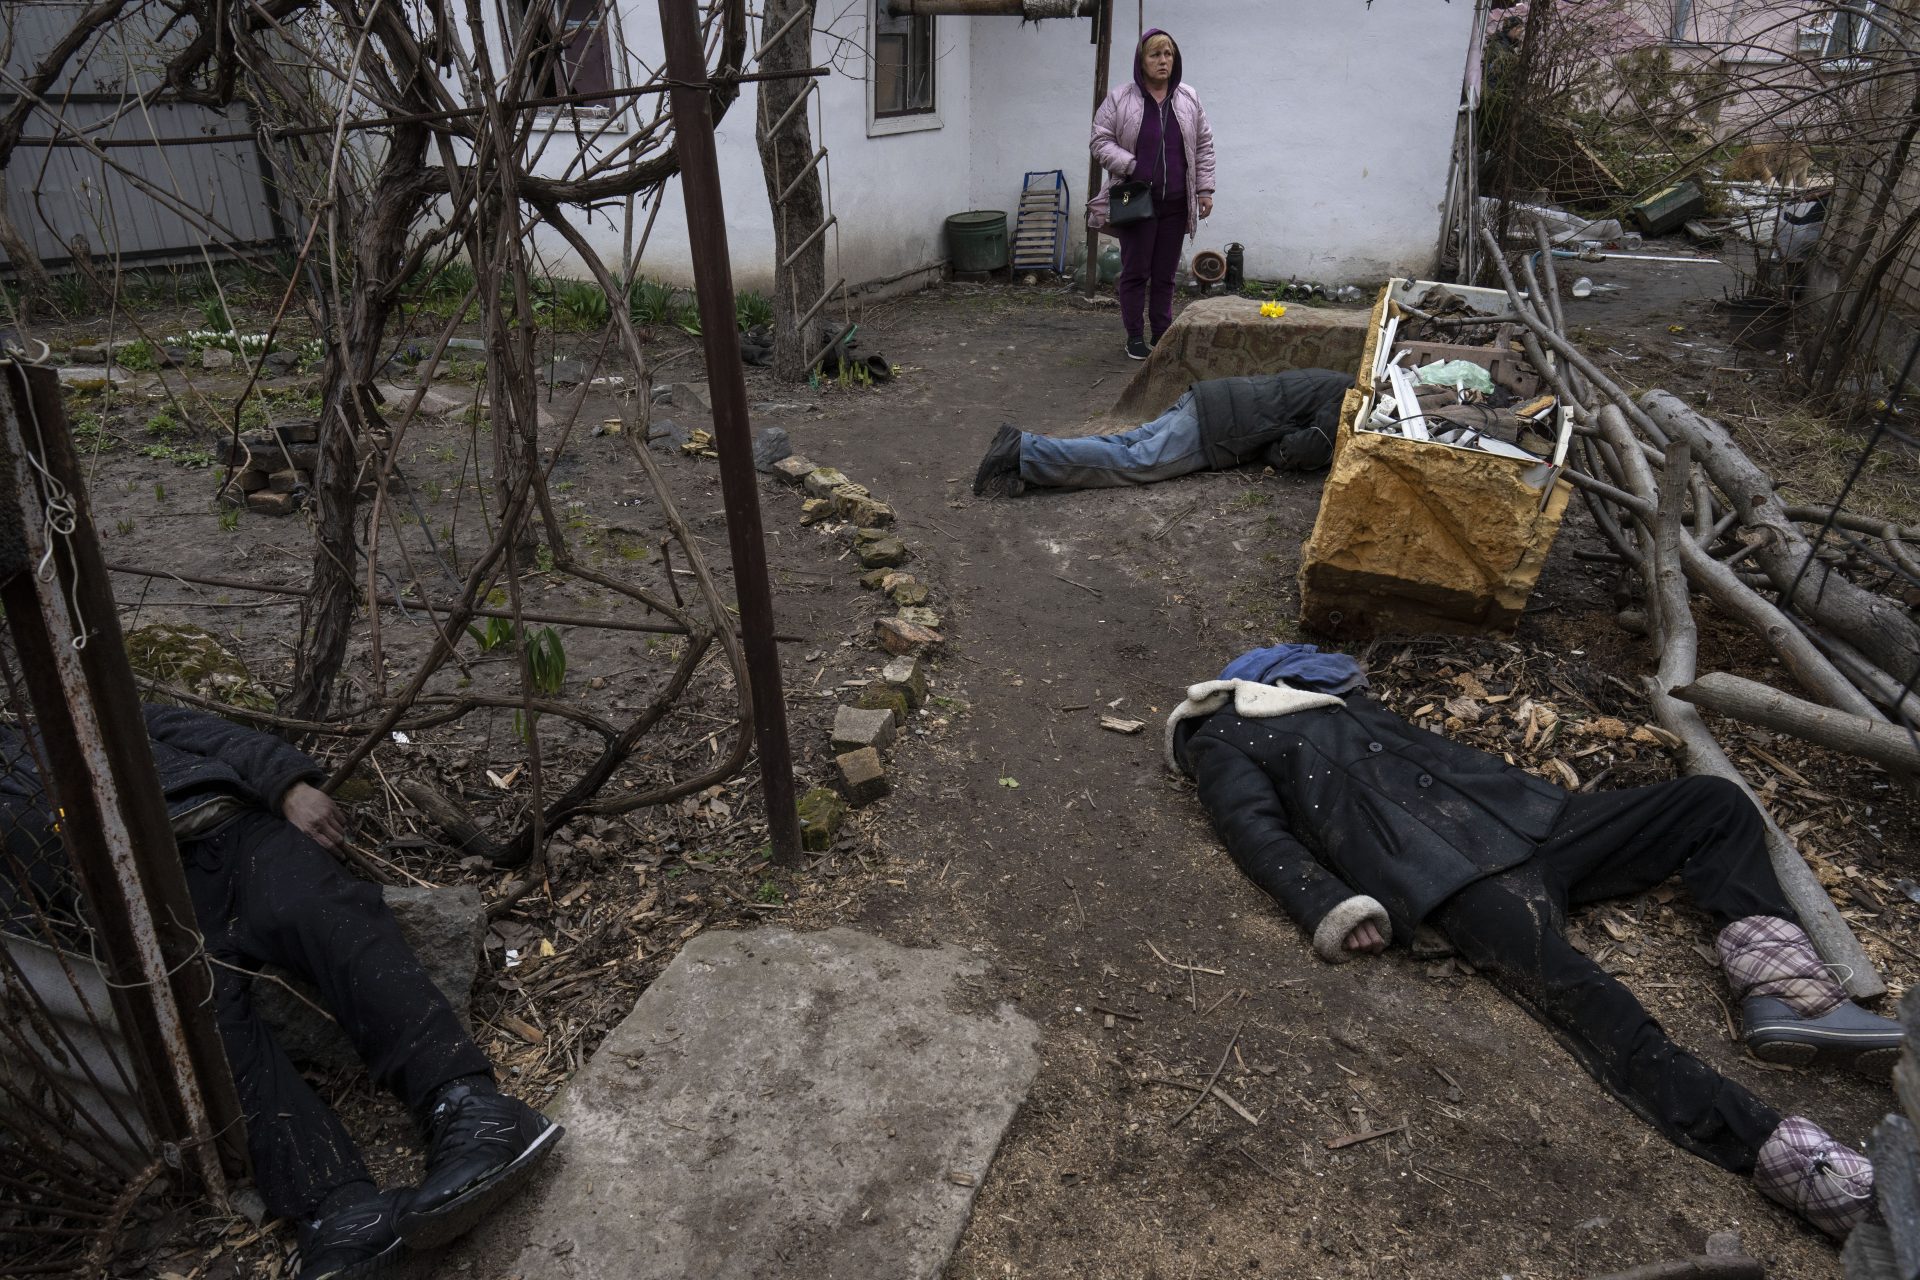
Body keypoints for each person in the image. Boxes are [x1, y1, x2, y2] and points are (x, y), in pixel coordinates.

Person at [1166, 643, 1901, 1241]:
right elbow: (1255, 836)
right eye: (1302, 657)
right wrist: (1332, 905)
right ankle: (1808, 1172)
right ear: (1252, 678)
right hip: (1459, 880)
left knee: (1711, 804)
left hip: (1546, 823)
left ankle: (1782, 989)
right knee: (1601, 1009)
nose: (1327, 663)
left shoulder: (1341, 701)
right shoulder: (1226, 735)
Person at [0, 705, 565, 1280]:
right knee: (205, 1030)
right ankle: (336, 1209)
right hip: (144, 922)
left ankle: (470, 1106)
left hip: (226, 834)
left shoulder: (60, 714)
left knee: (327, 918)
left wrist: (286, 785)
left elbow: (205, 732)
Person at [972, 367, 1352, 497]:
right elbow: (1306, 447)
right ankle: (1024, 452)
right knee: (1134, 462)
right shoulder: (1354, 397)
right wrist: (1274, 453)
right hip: (1216, 426)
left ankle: (1027, 460)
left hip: (1207, 398)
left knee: (1122, 443)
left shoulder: (1337, 379)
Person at [1089, 28, 1216, 361]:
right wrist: (1130, 163)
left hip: (1175, 203)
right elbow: (1099, 141)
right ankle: (1134, 336)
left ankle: (1161, 334)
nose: (1163, 61)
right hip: (1136, 202)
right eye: (1155, 55)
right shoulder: (1120, 99)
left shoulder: (1188, 98)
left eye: (1168, 55)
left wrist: (1204, 189)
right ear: (1141, 61)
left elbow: (1203, 146)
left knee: (1165, 274)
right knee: (1135, 271)